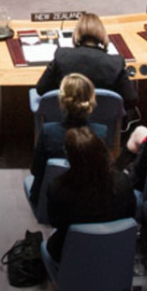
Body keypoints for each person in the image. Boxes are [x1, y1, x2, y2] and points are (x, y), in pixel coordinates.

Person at [46, 126, 135, 262]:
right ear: (102, 151)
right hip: (112, 250)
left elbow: (55, 222)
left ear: (70, 157)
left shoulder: (57, 188)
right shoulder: (123, 181)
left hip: (70, 254)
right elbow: (130, 213)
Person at [29, 74, 106, 205]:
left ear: (61, 101)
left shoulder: (47, 131)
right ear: (92, 99)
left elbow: (35, 170)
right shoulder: (101, 132)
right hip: (89, 202)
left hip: (50, 202)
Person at [35, 12, 137, 106]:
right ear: (102, 34)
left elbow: (41, 89)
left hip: (66, 117)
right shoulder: (115, 63)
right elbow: (131, 99)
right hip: (105, 119)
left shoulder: (62, 56)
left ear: (76, 33)